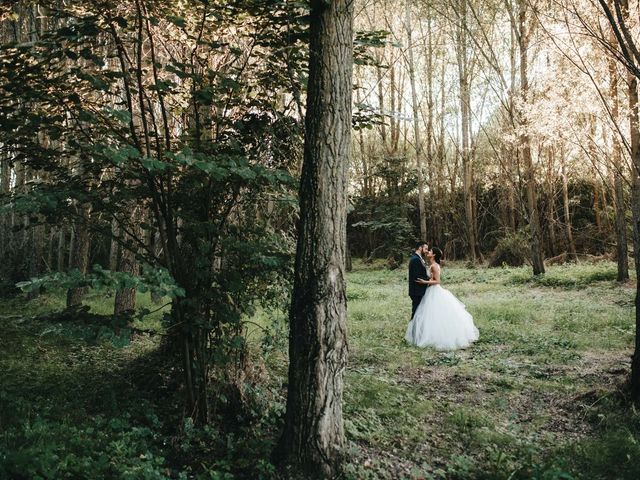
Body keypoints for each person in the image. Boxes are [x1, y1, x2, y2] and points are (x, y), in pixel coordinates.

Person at [405, 247, 479, 350]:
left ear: (434, 255)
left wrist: (424, 282)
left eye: (430, 251)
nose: (428, 252)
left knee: (436, 314)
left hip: (435, 291)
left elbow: (438, 281)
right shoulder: (430, 265)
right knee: (430, 315)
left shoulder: (434, 266)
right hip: (430, 291)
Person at [408, 241, 430, 322]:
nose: (427, 251)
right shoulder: (415, 259)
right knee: (416, 313)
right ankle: (413, 332)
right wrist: (430, 280)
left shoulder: (419, 258)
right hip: (417, 291)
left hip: (419, 290)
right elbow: (417, 277)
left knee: (419, 313)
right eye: (426, 249)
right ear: (420, 248)